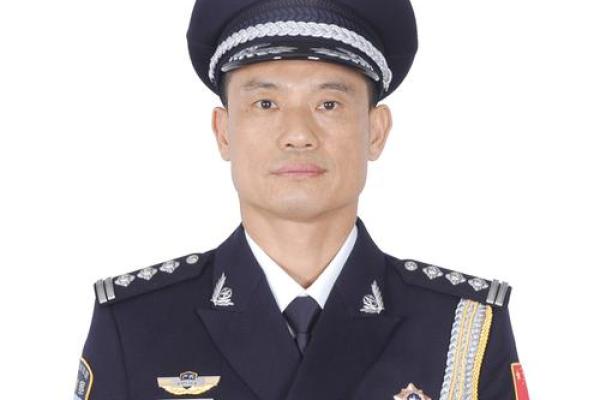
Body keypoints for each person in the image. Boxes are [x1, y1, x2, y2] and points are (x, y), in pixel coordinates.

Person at [73, 1, 529, 399]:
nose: (297, 134)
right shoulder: (135, 326)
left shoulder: (461, 331)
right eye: (265, 104)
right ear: (224, 132)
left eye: (328, 104)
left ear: (375, 131)